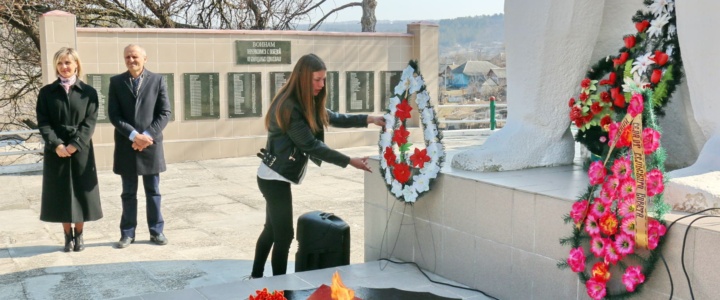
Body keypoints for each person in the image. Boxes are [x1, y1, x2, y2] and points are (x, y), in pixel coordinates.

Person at [251, 53, 385, 278]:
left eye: (324, 79)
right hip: (274, 179)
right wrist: (349, 161)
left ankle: (256, 277)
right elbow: (311, 145)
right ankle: (279, 288)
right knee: (284, 237)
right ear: (303, 79)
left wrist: (369, 119)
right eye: (317, 80)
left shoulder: (304, 101)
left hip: (275, 175)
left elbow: (333, 117)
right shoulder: (290, 107)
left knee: (272, 231)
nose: (321, 85)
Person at [37, 47, 103, 252]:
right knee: (61, 193)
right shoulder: (47, 92)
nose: (64, 67)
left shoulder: (88, 92)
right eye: (60, 63)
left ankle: (80, 235)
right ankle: (67, 236)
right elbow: (44, 122)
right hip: (55, 150)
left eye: (68, 63)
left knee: (81, 191)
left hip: (80, 149)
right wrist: (56, 144)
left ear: (76, 64)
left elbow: (89, 122)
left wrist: (75, 144)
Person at [108, 44, 172, 248]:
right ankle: (127, 233)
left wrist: (146, 136)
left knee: (153, 191)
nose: (130, 60)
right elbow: (114, 115)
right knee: (128, 192)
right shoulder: (116, 82)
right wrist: (134, 135)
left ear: (145, 58)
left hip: (151, 145)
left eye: (134, 56)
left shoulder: (158, 80)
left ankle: (156, 231)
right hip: (127, 144)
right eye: (127, 57)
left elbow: (164, 113)